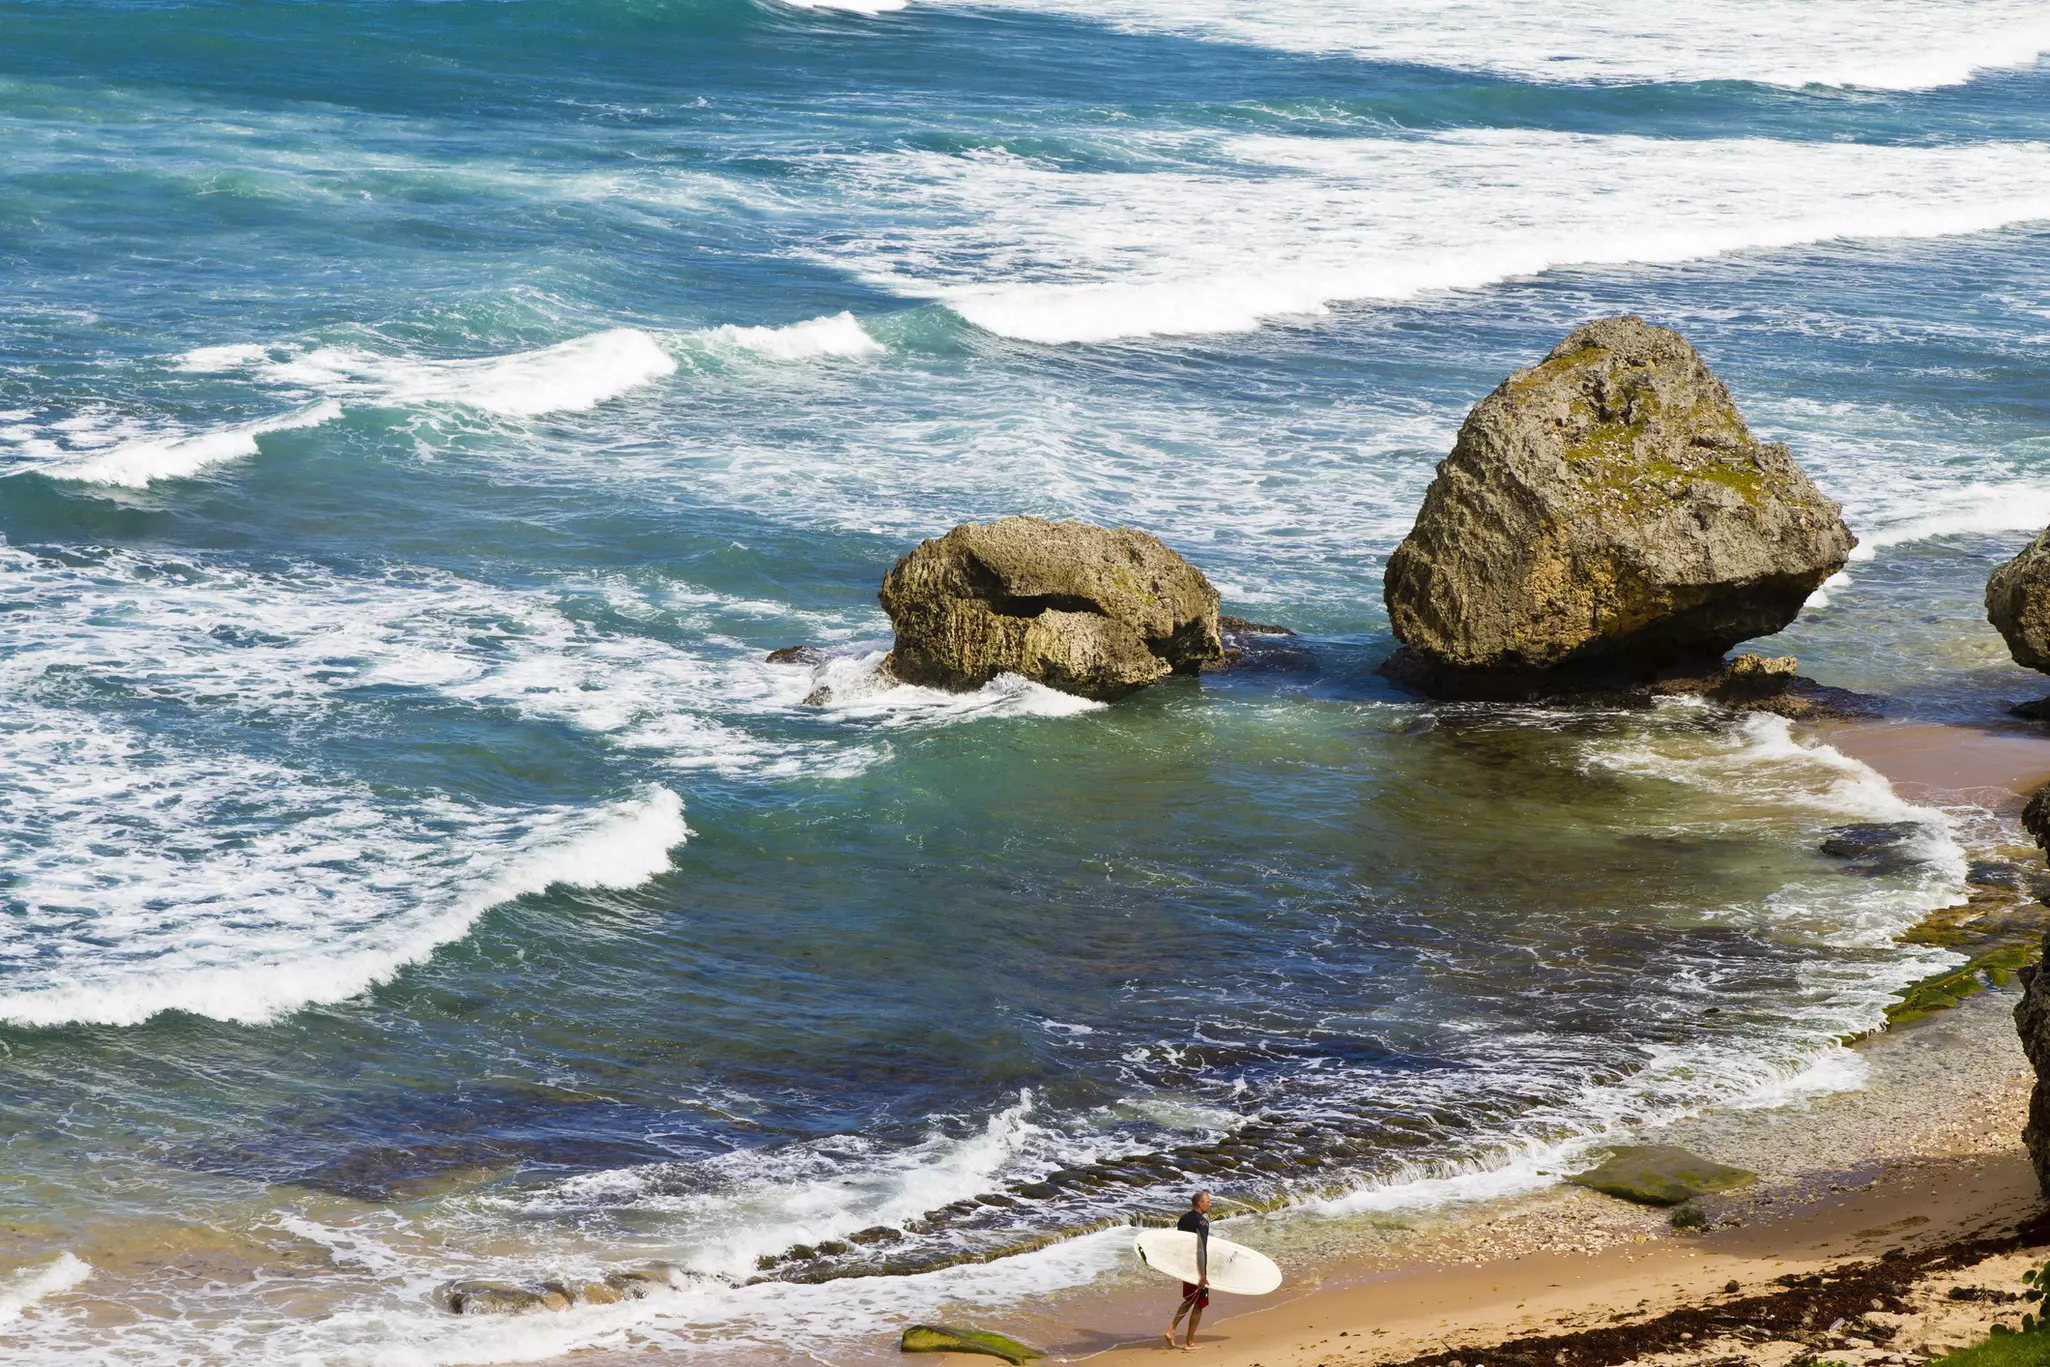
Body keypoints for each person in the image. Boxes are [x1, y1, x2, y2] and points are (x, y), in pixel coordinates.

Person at [1163, 1190, 1211, 1351]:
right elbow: (1200, 1249)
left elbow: (1180, 1243)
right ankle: (1188, 1342)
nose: (1210, 1204)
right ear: (1200, 1203)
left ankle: (1172, 1330)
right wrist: (1203, 1275)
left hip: (1185, 1265)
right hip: (1196, 1268)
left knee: (1190, 1300)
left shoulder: (1183, 1219)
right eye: (1207, 1201)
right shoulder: (1202, 1222)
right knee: (1199, 1303)